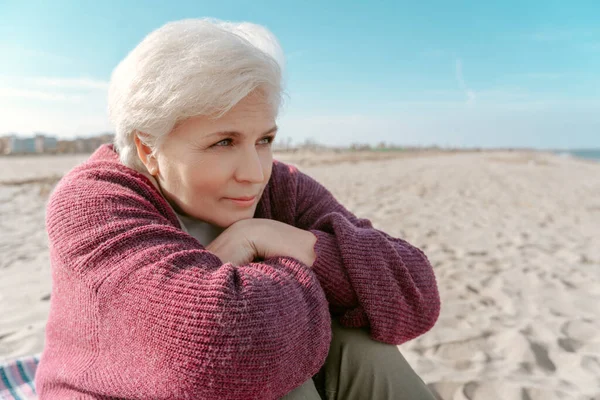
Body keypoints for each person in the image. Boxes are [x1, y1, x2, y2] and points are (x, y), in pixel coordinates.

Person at [35, 18, 441, 399]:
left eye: (263, 140)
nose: (254, 173)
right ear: (148, 148)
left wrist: (268, 236)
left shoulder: (281, 187)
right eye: (224, 142)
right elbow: (217, 344)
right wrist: (336, 278)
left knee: (362, 349)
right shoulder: (91, 203)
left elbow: (414, 294)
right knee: (277, 379)